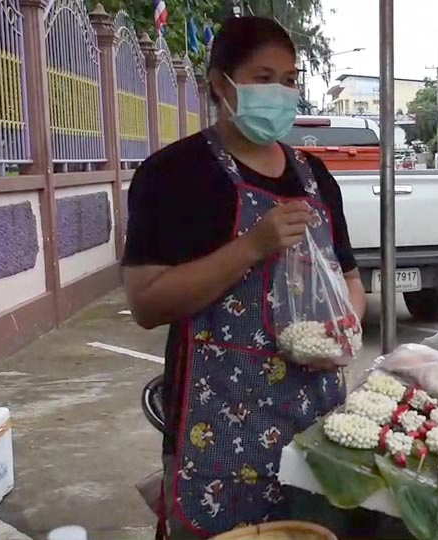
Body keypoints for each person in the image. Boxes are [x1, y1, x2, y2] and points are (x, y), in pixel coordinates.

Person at [122, 16, 365, 538]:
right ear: (219, 83)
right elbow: (146, 303)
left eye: (289, 79)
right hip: (219, 427)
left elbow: (349, 281)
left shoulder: (314, 177)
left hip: (314, 419)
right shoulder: (174, 175)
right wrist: (251, 247)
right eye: (262, 77)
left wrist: (344, 327)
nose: (279, 92)